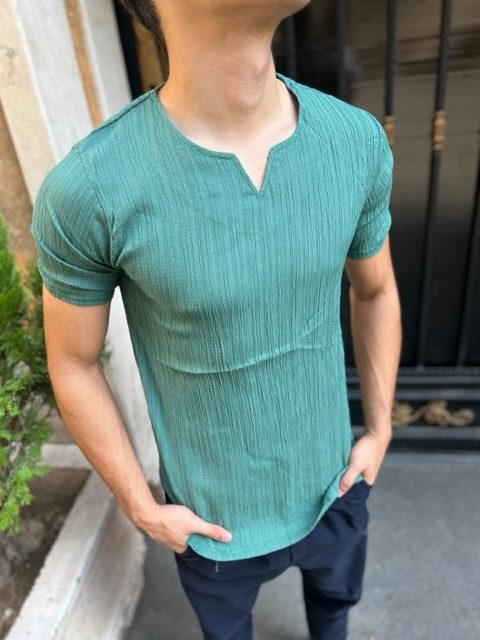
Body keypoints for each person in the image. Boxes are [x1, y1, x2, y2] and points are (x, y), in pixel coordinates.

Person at [30, 1, 402, 638]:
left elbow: (376, 290)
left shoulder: (355, 141)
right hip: (208, 523)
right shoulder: (89, 189)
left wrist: (380, 427)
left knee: (335, 613)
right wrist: (141, 506)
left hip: (335, 486)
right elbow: (72, 362)